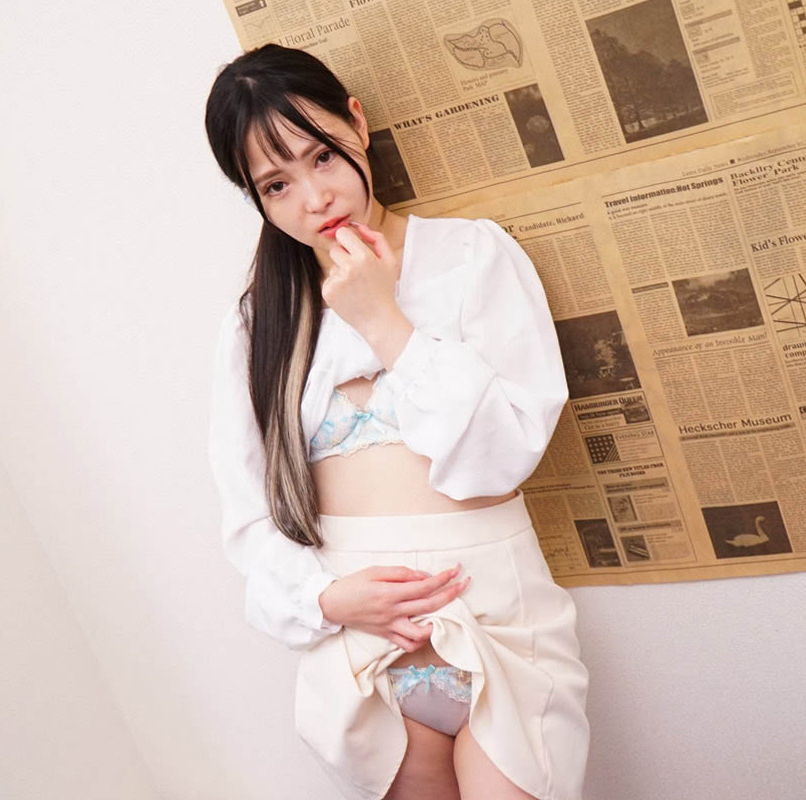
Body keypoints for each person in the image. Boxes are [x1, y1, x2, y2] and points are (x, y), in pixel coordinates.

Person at [205, 44, 590, 800]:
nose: (315, 198)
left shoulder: (471, 255)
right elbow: (248, 515)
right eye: (277, 184)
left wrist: (384, 321)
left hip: (499, 618)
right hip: (362, 646)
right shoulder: (258, 324)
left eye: (322, 155)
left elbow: (507, 453)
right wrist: (324, 601)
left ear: (358, 121)